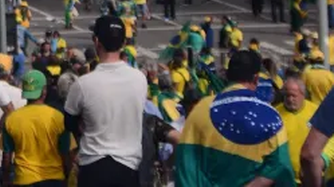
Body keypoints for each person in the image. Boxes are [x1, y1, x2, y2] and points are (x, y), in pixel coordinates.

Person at [175, 50, 293, 187]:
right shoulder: (271, 116)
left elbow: (186, 165)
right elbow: (282, 167)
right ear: (256, 79)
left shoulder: (200, 109)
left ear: (226, 76)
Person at [63, 15, 147, 187]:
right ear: (123, 43)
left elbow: (69, 122)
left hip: (93, 165)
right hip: (128, 166)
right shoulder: (140, 79)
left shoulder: (83, 84)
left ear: (96, 41)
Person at [1, 70, 71, 187]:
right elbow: (65, 153)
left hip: (24, 179)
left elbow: (7, 155)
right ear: (44, 91)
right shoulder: (58, 117)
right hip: (54, 179)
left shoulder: (11, 119)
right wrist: (67, 176)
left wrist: (6, 178)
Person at [274, 75, 316, 184]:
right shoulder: (275, 114)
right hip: (284, 178)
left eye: (293, 96)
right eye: (287, 96)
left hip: (311, 176)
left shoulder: (316, 112)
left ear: (303, 95)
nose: (290, 99)